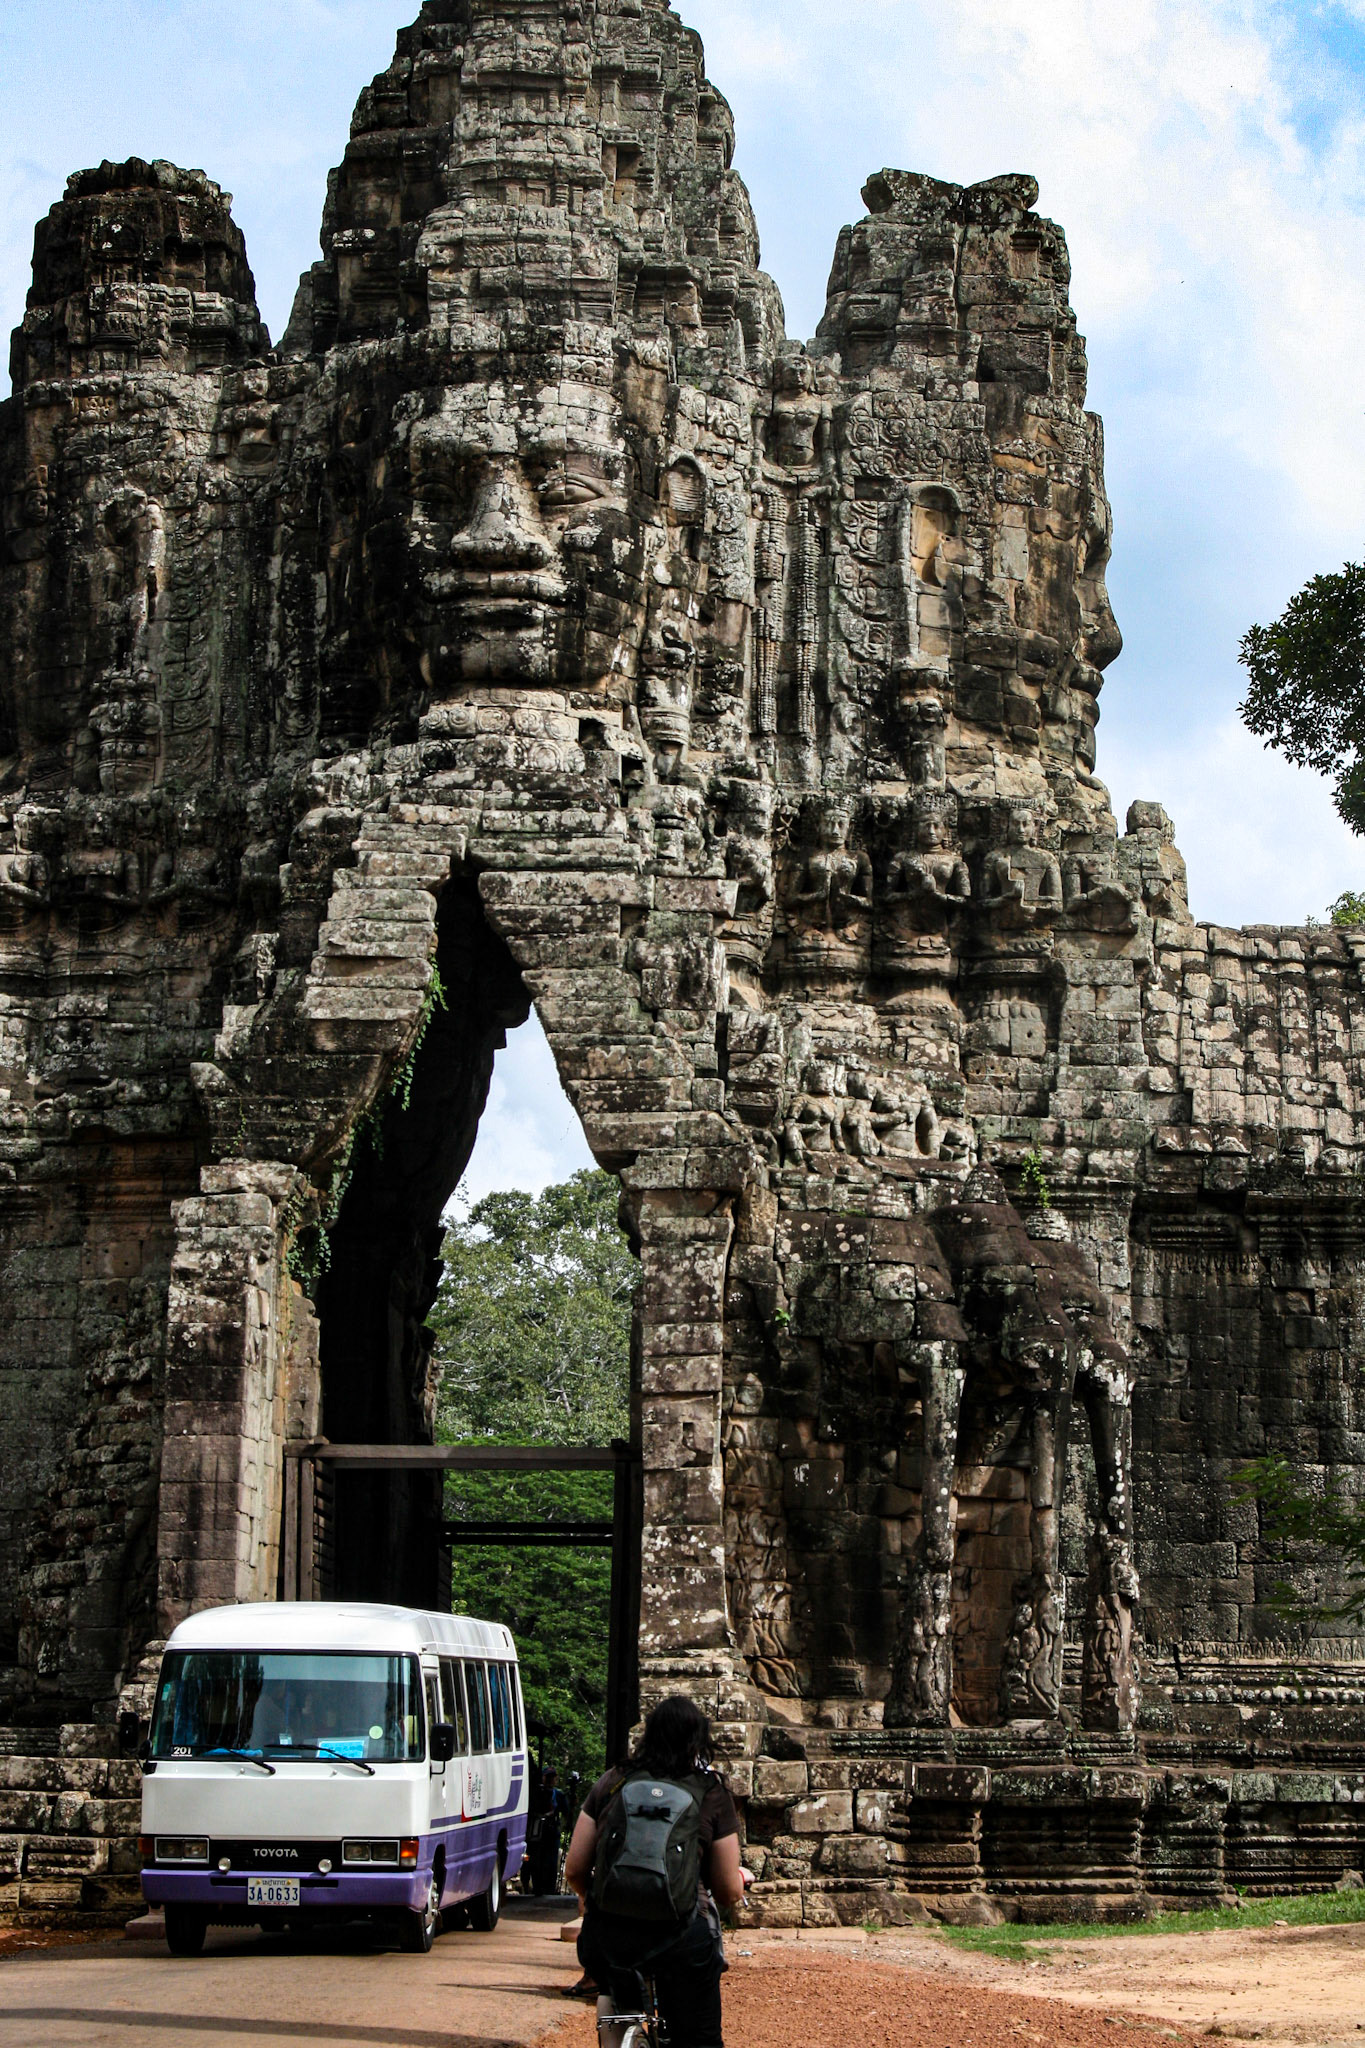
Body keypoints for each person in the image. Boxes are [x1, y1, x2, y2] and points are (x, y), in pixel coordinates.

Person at [564, 1698, 749, 2048]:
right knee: (701, 2038)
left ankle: (617, 2028)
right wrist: (740, 1881)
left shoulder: (613, 1781)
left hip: (609, 1937)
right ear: (698, 1742)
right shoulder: (711, 1792)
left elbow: (574, 1867)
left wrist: (596, 1900)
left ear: (648, 1735)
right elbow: (726, 1890)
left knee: (613, 1985)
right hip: (682, 1938)